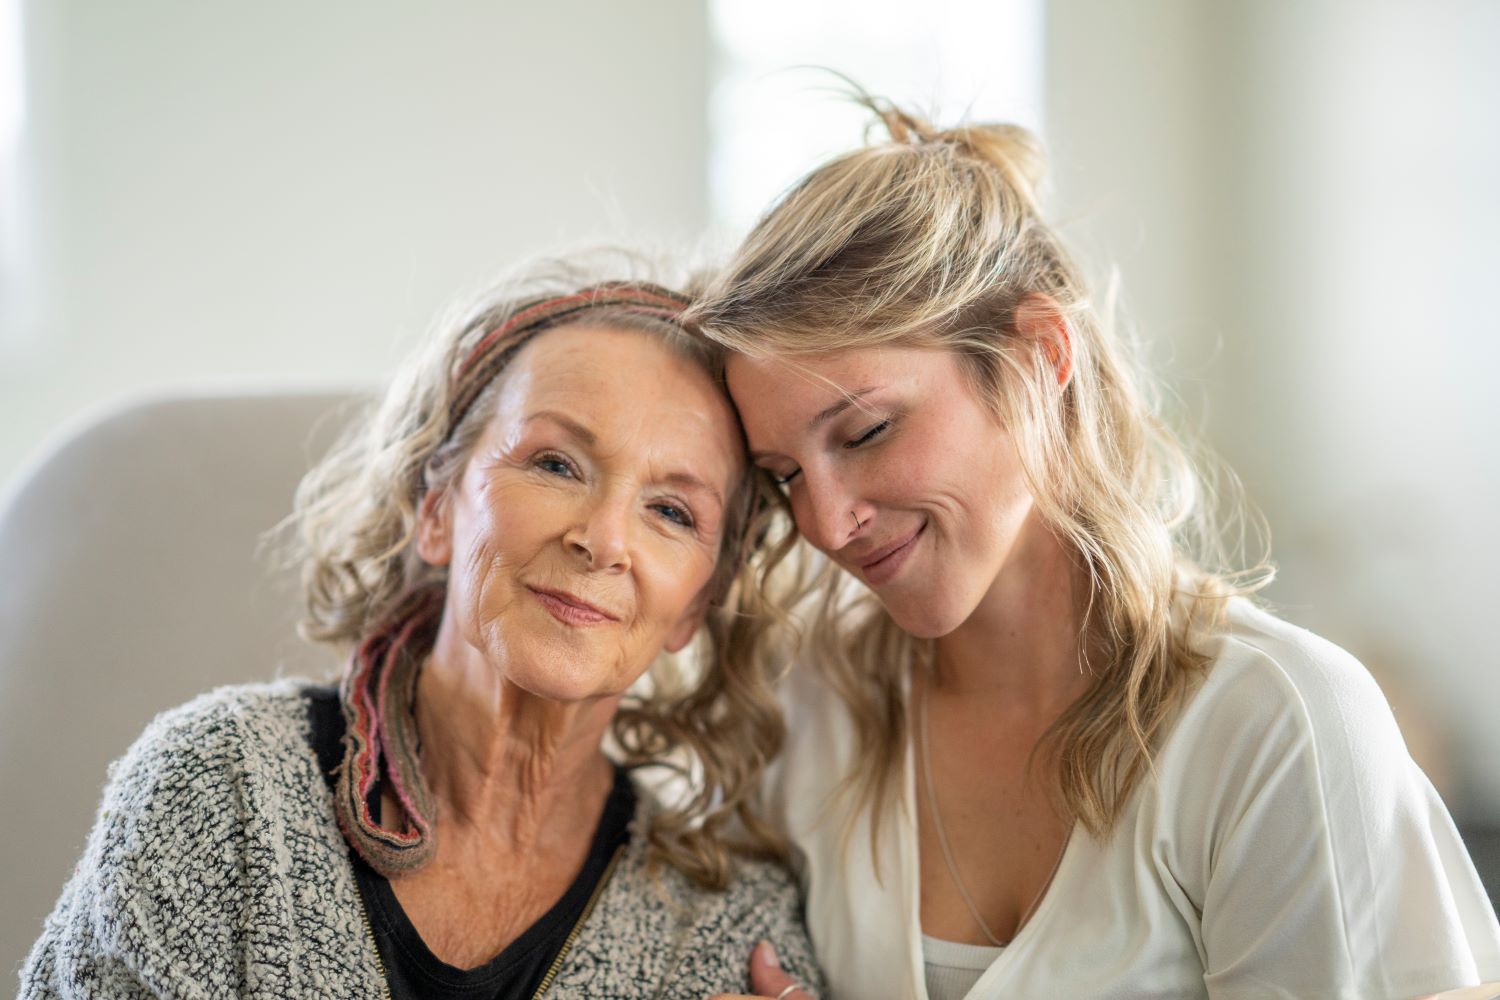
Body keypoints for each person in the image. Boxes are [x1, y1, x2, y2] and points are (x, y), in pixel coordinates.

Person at [690, 100, 1500, 999]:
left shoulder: (1273, 726)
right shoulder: (815, 714)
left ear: (1040, 353)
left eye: (868, 430)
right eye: (784, 475)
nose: (826, 524)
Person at [20, 261, 826, 999]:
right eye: (555, 464)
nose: (605, 540)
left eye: (672, 512)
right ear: (436, 507)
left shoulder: (728, 924)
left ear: (695, 605)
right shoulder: (220, 791)